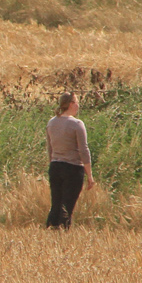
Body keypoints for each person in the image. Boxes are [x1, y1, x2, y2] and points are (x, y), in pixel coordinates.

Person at [45, 91, 95, 229]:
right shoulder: (77, 124)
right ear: (71, 104)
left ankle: (50, 231)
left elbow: (50, 149)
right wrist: (89, 175)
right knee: (67, 206)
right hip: (72, 168)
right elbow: (83, 150)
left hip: (55, 166)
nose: (78, 105)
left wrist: (52, 165)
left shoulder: (51, 123)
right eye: (77, 102)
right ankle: (63, 231)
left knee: (55, 204)